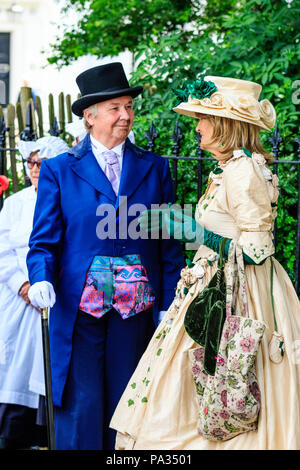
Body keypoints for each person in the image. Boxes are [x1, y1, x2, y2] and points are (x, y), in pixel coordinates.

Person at [110, 76, 300, 450]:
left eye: (203, 118)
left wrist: (194, 233)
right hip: (215, 288)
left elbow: (257, 250)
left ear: (226, 125)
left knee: (232, 382)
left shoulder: (243, 171)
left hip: (238, 299)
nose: (197, 126)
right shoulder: (231, 168)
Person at [26, 62, 184, 450]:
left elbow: (170, 242)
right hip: (80, 308)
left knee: (129, 402)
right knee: (82, 405)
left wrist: (168, 301)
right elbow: (43, 240)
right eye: (115, 108)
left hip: (137, 310)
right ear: (89, 116)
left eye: (129, 106)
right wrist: (41, 276)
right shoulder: (60, 170)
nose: (126, 116)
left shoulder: (156, 167)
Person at [0, 136, 69, 449]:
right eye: (31, 163)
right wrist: (22, 285)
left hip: (56, 300)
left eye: (42, 164)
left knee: (49, 374)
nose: (35, 170)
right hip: (17, 301)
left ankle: (47, 437)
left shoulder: (66, 198)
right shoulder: (16, 203)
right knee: (16, 374)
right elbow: (2, 251)